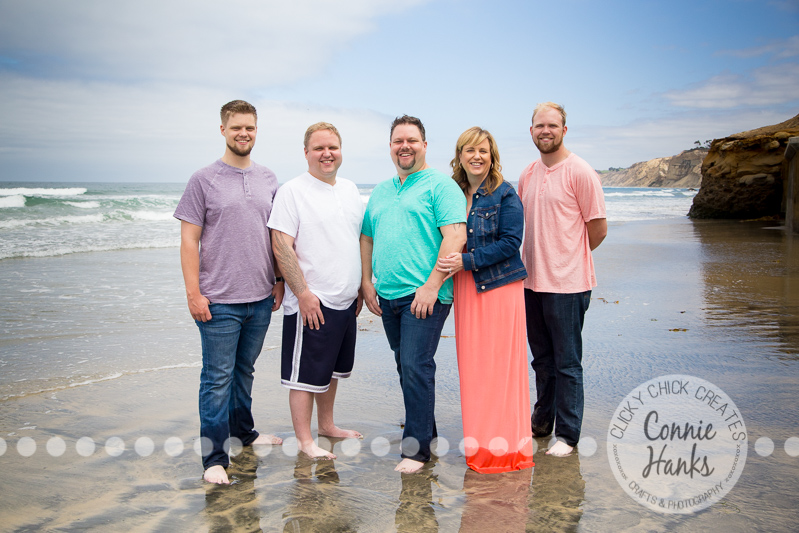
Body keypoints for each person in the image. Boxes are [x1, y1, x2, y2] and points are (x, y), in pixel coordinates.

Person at [174, 99, 284, 484]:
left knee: (244, 372)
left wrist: (280, 280)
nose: (244, 134)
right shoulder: (203, 179)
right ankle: (214, 459)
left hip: (260, 297)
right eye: (236, 127)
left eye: (250, 128)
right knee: (216, 378)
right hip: (218, 300)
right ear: (223, 130)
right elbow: (189, 241)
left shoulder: (270, 178)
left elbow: (276, 238)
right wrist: (193, 293)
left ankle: (244, 434)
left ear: (257, 130)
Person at [360, 115, 467, 473]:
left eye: (411, 140)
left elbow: (455, 237)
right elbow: (367, 237)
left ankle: (416, 451)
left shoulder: (441, 186)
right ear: (390, 146)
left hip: (425, 294)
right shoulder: (381, 190)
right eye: (397, 141)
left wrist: (432, 286)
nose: (404, 146)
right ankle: (427, 431)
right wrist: (366, 282)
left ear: (424, 145)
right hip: (387, 295)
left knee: (415, 365)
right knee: (405, 366)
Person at [436, 127, 534, 473]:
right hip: (465, 289)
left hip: (499, 288)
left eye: (483, 151)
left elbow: (511, 242)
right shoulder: (451, 192)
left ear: (492, 157)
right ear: (459, 155)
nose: (477, 157)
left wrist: (465, 261)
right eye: (469, 150)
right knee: (475, 369)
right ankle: (480, 449)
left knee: (501, 369)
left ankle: (507, 451)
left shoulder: (505, 193)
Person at [268, 122, 363, 460]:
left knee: (332, 371)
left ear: (340, 151)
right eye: (319, 148)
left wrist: (361, 287)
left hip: (346, 300)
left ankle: (327, 426)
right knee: (303, 376)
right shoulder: (292, 191)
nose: (327, 154)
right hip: (312, 301)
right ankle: (305, 441)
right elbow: (281, 244)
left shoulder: (351, 190)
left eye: (332, 147)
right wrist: (303, 292)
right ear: (306, 152)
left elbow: (355, 242)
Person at [517, 102, 607, 457]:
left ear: (564, 130)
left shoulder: (581, 171)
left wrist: (568, 259)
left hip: (568, 286)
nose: (546, 131)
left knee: (567, 362)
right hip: (531, 283)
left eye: (552, 125)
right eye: (540, 125)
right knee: (541, 359)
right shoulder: (527, 174)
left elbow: (597, 230)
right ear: (531, 131)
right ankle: (542, 423)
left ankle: (568, 435)